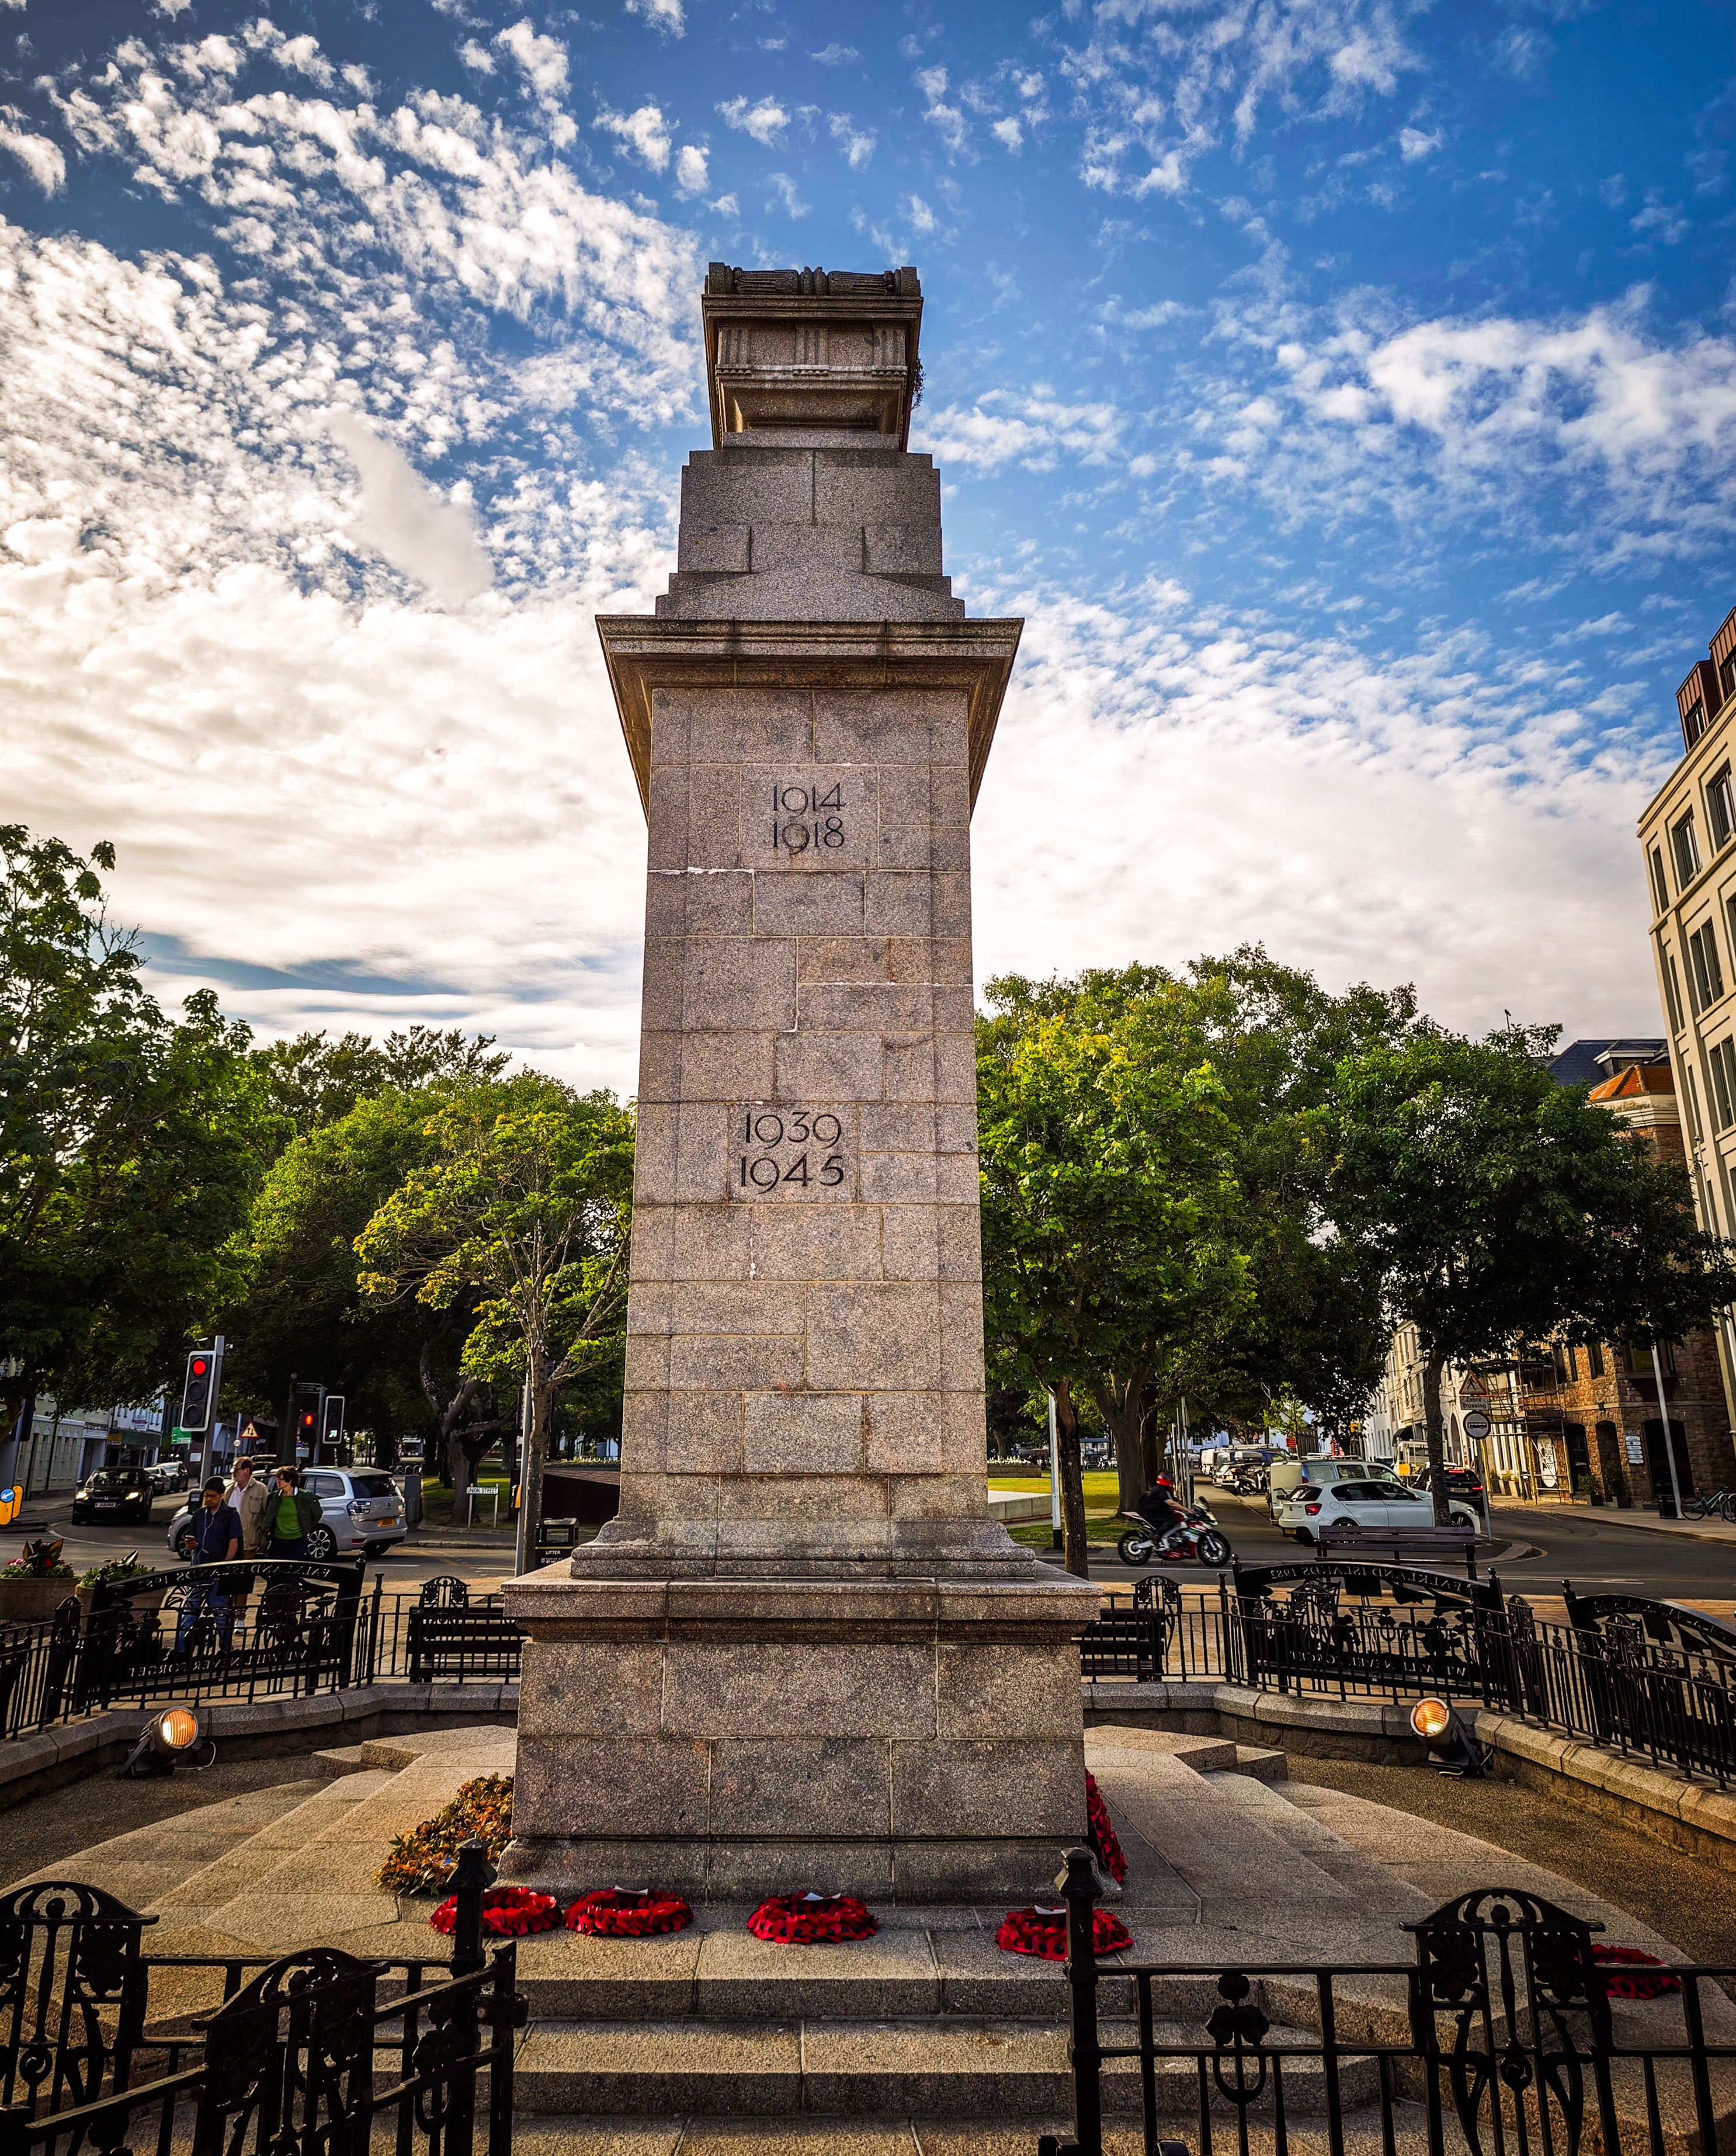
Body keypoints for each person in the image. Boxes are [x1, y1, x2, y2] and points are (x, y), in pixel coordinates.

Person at [176, 1476, 241, 1652]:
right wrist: (190, 1545)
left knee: (221, 1614)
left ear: (221, 1495)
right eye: (206, 1496)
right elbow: (190, 1539)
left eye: (212, 1496)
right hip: (199, 1571)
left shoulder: (230, 1515)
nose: (209, 1499)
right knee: (189, 1613)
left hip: (218, 1573)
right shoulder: (199, 1515)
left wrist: (226, 1565)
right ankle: (180, 1651)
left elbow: (234, 1541)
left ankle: (225, 1650)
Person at [267, 1466, 322, 1559]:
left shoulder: (305, 1497)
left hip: (297, 1540)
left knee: (294, 1566)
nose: (278, 1482)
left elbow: (317, 1514)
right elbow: (268, 1518)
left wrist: (306, 1526)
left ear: (290, 1480)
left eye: (281, 1479)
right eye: (277, 1479)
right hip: (278, 1540)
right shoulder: (273, 1498)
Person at [225, 1455, 269, 1558]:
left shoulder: (261, 1490)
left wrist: (263, 1544)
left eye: (237, 1470)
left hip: (249, 1546)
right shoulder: (229, 1490)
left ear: (247, 1471)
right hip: (228, 1544)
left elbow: (267, 1518)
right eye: (233, 1470)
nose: (233, 1473)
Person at [1134, 1474, 1191, 1554]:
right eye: (1170, 1481)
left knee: (1176, 1517)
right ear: (1165, 1481)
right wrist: (1186, 1510)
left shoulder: (1162, 1489)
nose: (1171, 1483)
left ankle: (1170, 1537)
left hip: (1156, 1512)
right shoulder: (1161, 1491)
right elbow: (1171, 1503)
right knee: (1172, 1520)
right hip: (1151, 1514)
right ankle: (1156, 1537)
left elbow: (1170, 1503)